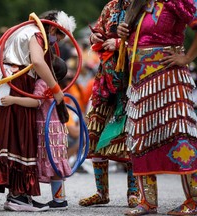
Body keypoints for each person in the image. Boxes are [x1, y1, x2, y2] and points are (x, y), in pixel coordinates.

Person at [0, 10, 76, 212]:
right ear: (53, 28)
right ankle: (18, 195)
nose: (56, 42)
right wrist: (55, 88)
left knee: (11, 137)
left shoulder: (21, 31)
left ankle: (18, 195)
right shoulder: (35, 33)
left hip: (6, 83)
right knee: (20, 137)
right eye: (59, 36)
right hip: (18, 82)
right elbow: (37, 61)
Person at [117, 0, 197, 215]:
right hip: (139, 82)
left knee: (181, 133)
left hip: (169, 78)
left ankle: (194, 200)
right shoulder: (138, 4)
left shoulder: (177, 1)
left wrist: (187, 57)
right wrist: (123, 32)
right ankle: (147, 201)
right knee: (141, 137)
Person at [78, 0, 140, 209]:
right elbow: (97, 30)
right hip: (105, 79)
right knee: (94, 131)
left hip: (132, 80)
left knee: (130, 136)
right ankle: (101, 192)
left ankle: (134, 192)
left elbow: (148, 39)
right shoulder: (111, 6)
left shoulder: (143, 6)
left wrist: (121, 44)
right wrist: (95, 37)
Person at [1, 56, 72, 210]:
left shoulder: (42, 82)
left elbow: (36, 102)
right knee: (56, 163)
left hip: (47, 131)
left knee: (52, 162)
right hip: (56, 129)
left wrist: (14, 99)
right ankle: (60, 200)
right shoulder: (56, 85)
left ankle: (58, 200)